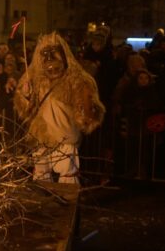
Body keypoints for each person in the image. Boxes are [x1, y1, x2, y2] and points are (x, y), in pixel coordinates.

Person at [14, 32, 105, 184]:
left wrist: (86, 104)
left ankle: (67, 206)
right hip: (41, 137)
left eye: (53, 53)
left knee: (67, 175)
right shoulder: (34, 78)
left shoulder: (75, 79)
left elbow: (88, 112)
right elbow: (24, 109)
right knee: (41, 175)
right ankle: (43, 205)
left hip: (65, 136)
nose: (49, 58)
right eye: (45, 54)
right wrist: (25, 95)